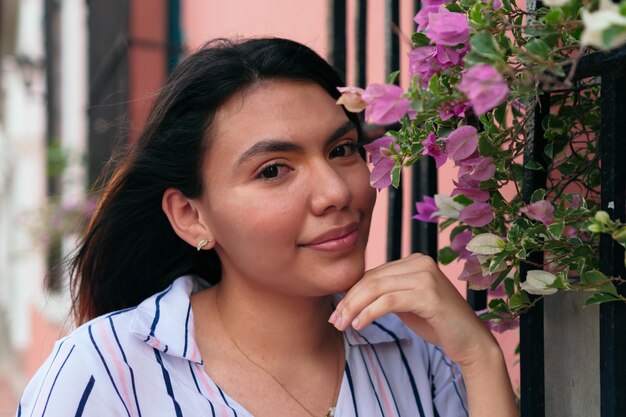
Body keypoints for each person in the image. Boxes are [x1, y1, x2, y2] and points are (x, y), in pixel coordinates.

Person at [16, 37, 517, 417]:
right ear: (192, 216)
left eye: (341, 150)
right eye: (273, 169)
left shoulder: (423, 353)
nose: (336, 193)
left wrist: (479, 357)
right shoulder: (105, 374)